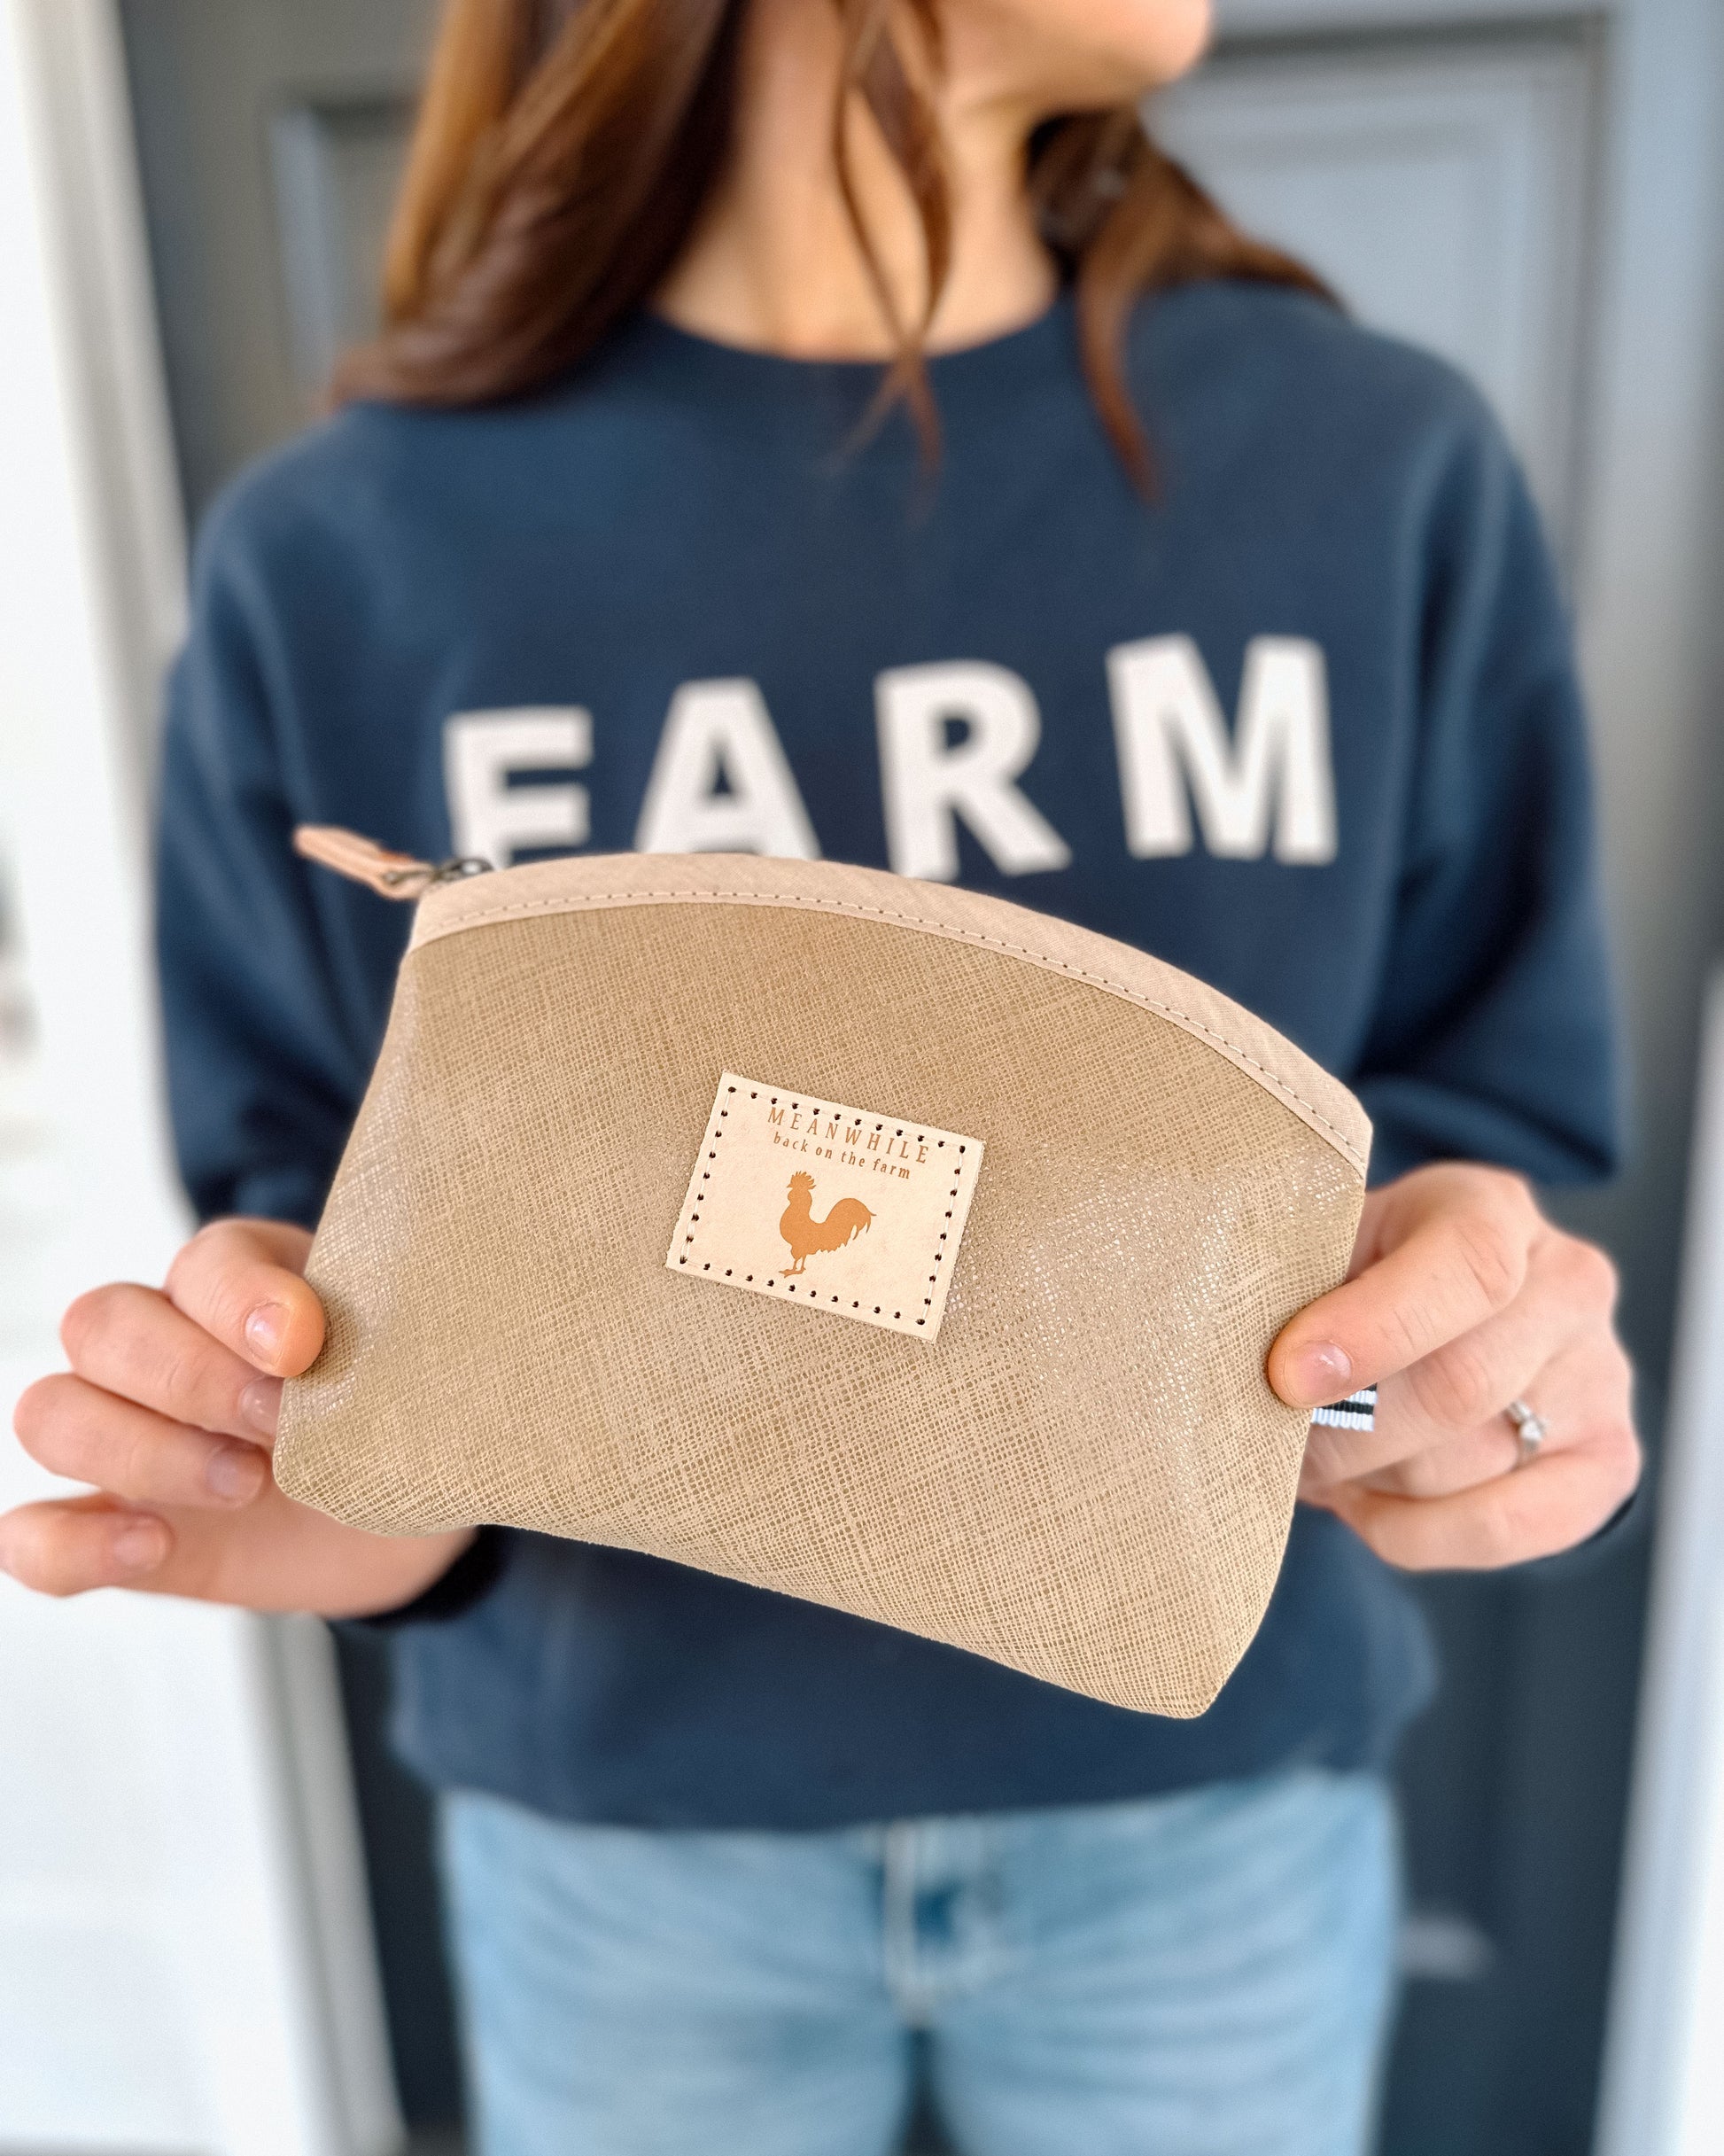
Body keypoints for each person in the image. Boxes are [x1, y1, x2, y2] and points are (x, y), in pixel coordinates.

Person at [1, 0, 1641, 2149]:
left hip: (1207, 1804)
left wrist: (1462, 1354)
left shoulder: (1372, 466)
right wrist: (324, 1445)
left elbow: (1482, 1120)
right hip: (624, 1843)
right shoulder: (344, 555)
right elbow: (307, 1195)